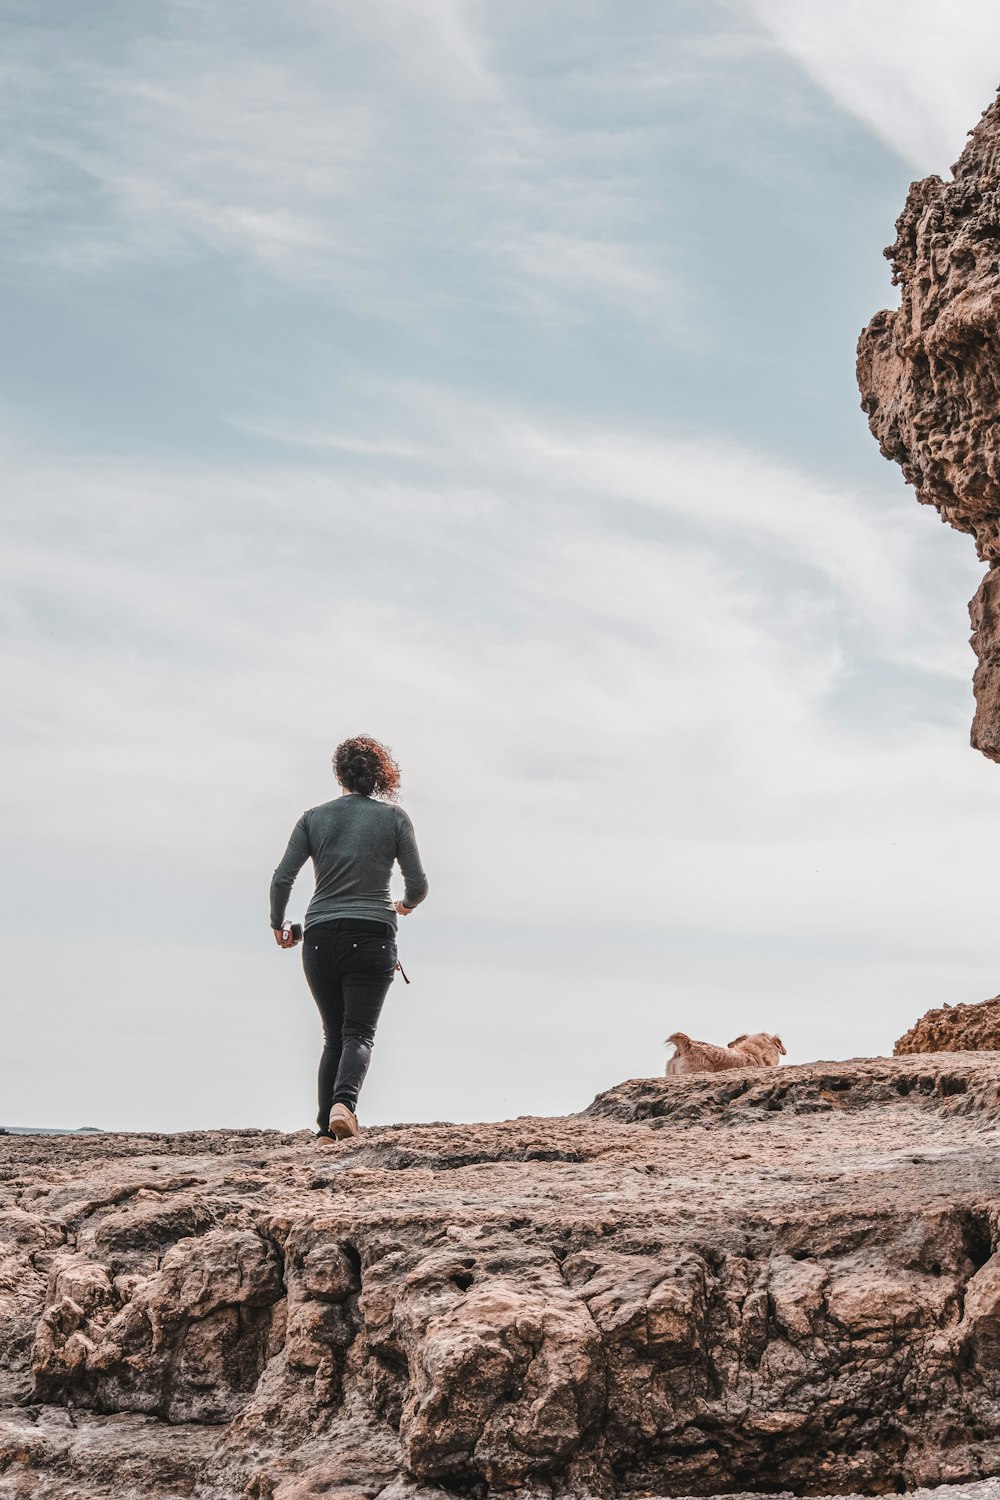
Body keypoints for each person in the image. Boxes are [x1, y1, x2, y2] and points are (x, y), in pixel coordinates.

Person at [269, 735, 428, 1143]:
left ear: (338, 774)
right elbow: (418, 883)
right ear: (379, 776)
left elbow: (283, 877)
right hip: (372, 933)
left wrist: (278, 924)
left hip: (320, 937)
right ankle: (345, 1105)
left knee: (333, 1035)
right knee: (358, 1033)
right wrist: (405, 905)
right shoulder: (394, 818)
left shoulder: (313, 818)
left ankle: (325, 1130)